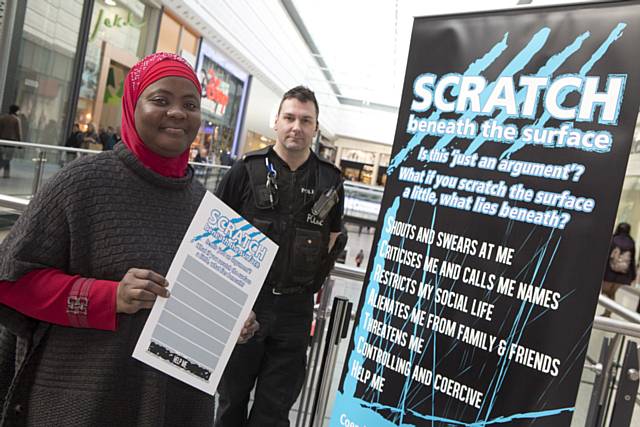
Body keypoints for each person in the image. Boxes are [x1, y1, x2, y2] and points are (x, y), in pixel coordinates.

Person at [0, 52, 257, 426]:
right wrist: (109, 297)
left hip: (173, 406)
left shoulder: (209, 211)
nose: (177, 112)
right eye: (160, 100)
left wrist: (230, 322)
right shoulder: (82, 183)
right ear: (132, 105)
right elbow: (12, 281)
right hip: (82, 400)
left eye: (190, 104)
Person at [214, 86, 346, 427]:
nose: (296, 127)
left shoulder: (330, 181)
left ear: (315, 128)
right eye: (289, 117)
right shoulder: (245, 170)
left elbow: (333, 237)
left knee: (272, 414)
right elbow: (212, 232)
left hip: (295, 312)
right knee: (230, 403)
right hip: (246, 306)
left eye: (305, 120)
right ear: (276, 121)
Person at [602, 222, 636, 316]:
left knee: (605, 292)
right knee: (611, 293)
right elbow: (632, 260)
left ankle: (607, 311)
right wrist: (633, 275)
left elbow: (607, 255)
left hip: (609, 272)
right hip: (623, 274)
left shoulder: (613, 239)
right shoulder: (631, 242)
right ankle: (608, 311)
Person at [0, 104, 22, 178]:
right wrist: (19, 143)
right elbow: (18, 133)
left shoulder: (3, 118)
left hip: (2, 140)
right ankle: (5, 173)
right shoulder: (16, 120)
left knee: (3, 157)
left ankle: (6, 174)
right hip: (11, 141)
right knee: (8, 158)